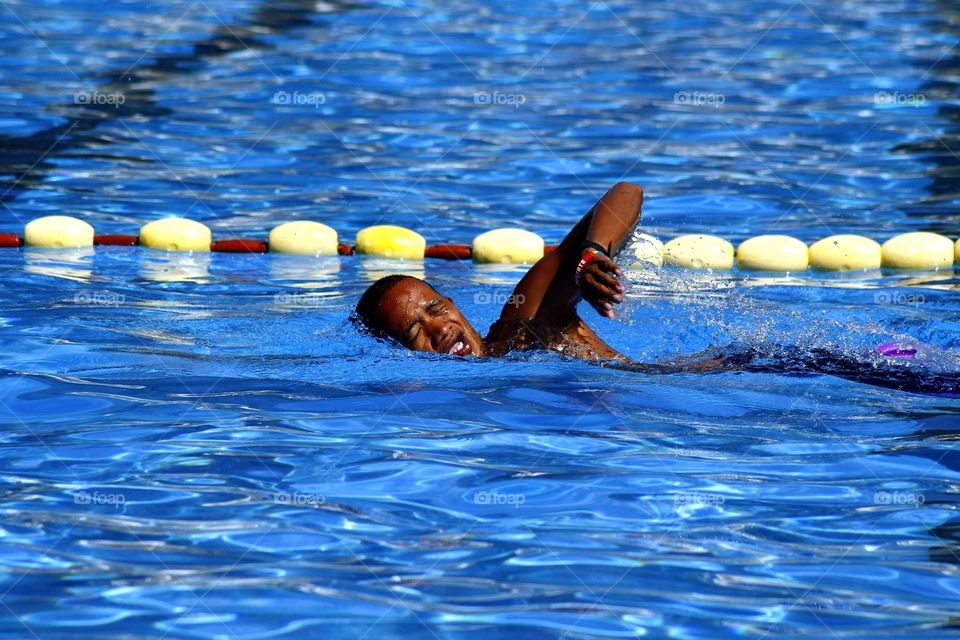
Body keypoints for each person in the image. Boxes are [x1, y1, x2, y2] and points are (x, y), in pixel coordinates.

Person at [353, 181, 960, 394]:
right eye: (415, 330)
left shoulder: (519, 324)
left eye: (435, 307)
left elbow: (625, 193)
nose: (438, 327)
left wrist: (591, 256)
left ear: (454, 302)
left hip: (773, 367)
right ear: (396, 354)